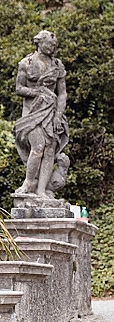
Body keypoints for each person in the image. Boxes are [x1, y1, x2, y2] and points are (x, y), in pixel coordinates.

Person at [14, 30, 69, 198]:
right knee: (37, 147)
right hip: (32, 114)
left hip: (51, 114)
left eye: (54, 45)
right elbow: (19, 88)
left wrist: (59, 115)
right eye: (50, 44)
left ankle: (42, 190)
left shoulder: (57, 65)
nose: (53, 47)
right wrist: (38, 93)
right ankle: (28, 183)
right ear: (39, 42)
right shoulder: (26, 63)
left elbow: (62, 93)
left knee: (50, 151)